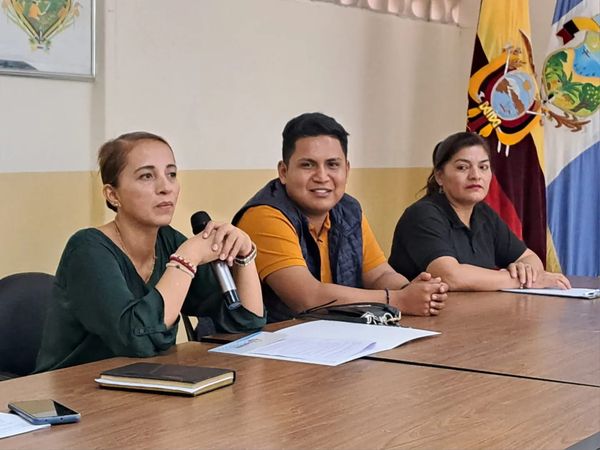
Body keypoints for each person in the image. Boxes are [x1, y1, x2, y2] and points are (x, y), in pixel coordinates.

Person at [36, 132, 265, 371]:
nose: (166, 187)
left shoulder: (168, 240)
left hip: (144, 381)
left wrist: (244, 256)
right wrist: (187, 259)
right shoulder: (86, 249)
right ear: (113, 195)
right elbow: (137, 340)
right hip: (74, 386)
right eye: (146, 176)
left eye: (171, 174)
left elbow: (245, 323)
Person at [233, 112, 448, 323]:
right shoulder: (264, 215)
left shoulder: (349, 209)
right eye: (307, 165)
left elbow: (379, 275)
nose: (322, 176)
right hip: (271, 340)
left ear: (346, 169)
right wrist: (399, 300)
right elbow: (307, 298)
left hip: (335, 337)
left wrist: (413, 289)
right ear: (283, 172)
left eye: (332, 165)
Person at [388, 131, 571, 291]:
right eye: (463, 167)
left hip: (476, 314)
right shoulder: (423, 215)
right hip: (422, 317)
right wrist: (519, 281)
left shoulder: (484, 214)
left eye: (483, 167)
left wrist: (526, 271)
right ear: (439, 176)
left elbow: (530, 258)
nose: (476, 175)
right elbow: (450, 276)